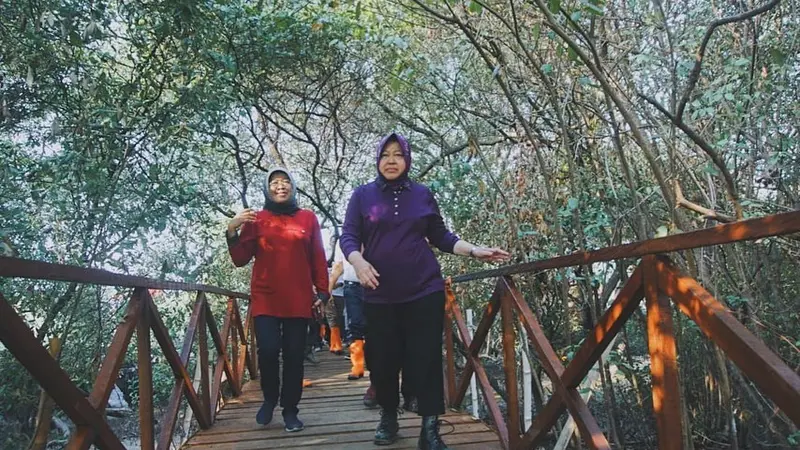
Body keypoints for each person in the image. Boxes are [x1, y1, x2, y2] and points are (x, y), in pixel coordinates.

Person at [340, 133, 510, 449]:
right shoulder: (362, 196)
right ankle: (388, 417)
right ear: (378, 160)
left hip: (423, 290)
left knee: (427, 359)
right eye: (385, 155)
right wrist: (358, 261)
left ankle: (429, 428)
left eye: (398, 155)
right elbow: (348, 236)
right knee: (383, 360)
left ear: (407, 160)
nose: (391, 160)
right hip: (379, 294)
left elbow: (440, 236)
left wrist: (474, 251)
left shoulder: (422, 194)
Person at [226, 168, 329, 433]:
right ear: (266, 188)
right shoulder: (256, 219)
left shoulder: (308, 217)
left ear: (293, 187)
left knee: (295, 356)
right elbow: (240, 259)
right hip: (266, 297)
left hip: (299, 298)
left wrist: (322, 291)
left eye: (285, 182)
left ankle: (291, 410)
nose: (280, 187)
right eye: (274, 182)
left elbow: (317, 256)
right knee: (269, 351)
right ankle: (270, 398)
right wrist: (232, 229)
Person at [326, 261, 346, 355]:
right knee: (332, 318)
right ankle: (335, 345)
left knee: (339, 317)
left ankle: (337, 343)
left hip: (341, 293)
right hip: (326, 291)